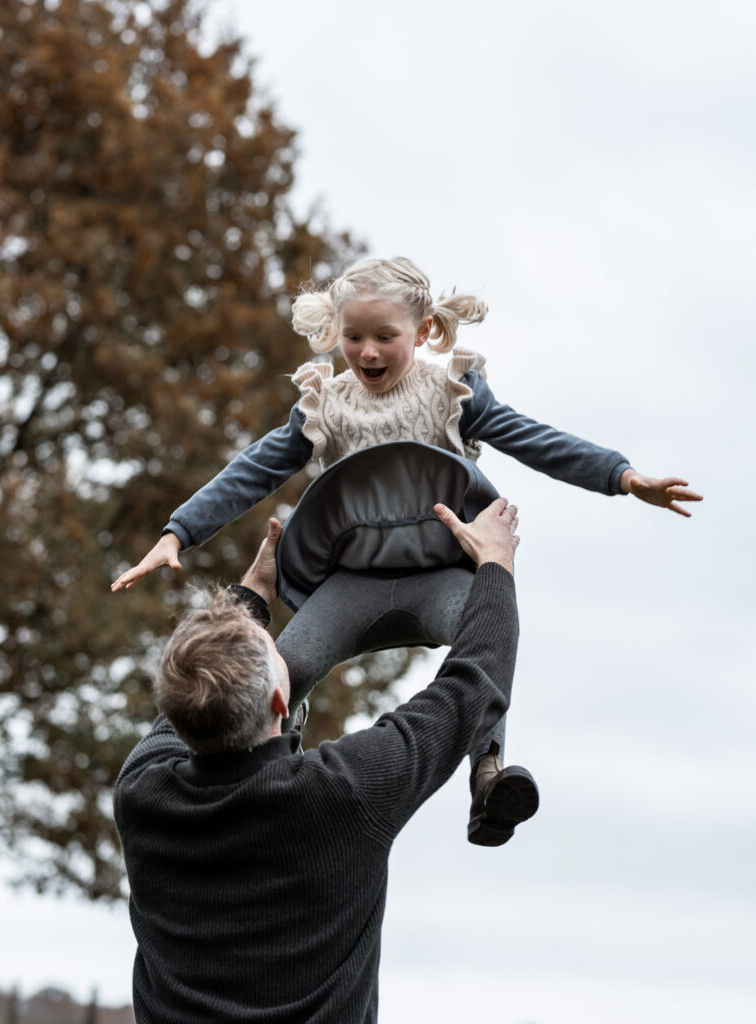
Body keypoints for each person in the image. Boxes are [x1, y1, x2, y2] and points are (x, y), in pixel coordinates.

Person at [111, 256, 702, 845]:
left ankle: (488, 775)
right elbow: (252, 470)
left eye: (385, 337)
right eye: (353, 337)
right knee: (284, 669)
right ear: (336, 333)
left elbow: (537, 440)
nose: (367, 352)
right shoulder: (325, 404)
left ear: (421, 334)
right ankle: (266, 786)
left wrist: (622, 477)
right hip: (353, 585)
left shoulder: (453, 394)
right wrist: (177, 533)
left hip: (437, 575)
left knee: (487, 629)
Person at [114, 498, 523, 1024]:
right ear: (280, 702)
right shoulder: (343, 794)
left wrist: (251, 594)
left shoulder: (141, 793)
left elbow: (187, 696)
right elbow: (475, 681)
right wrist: (495, 560)